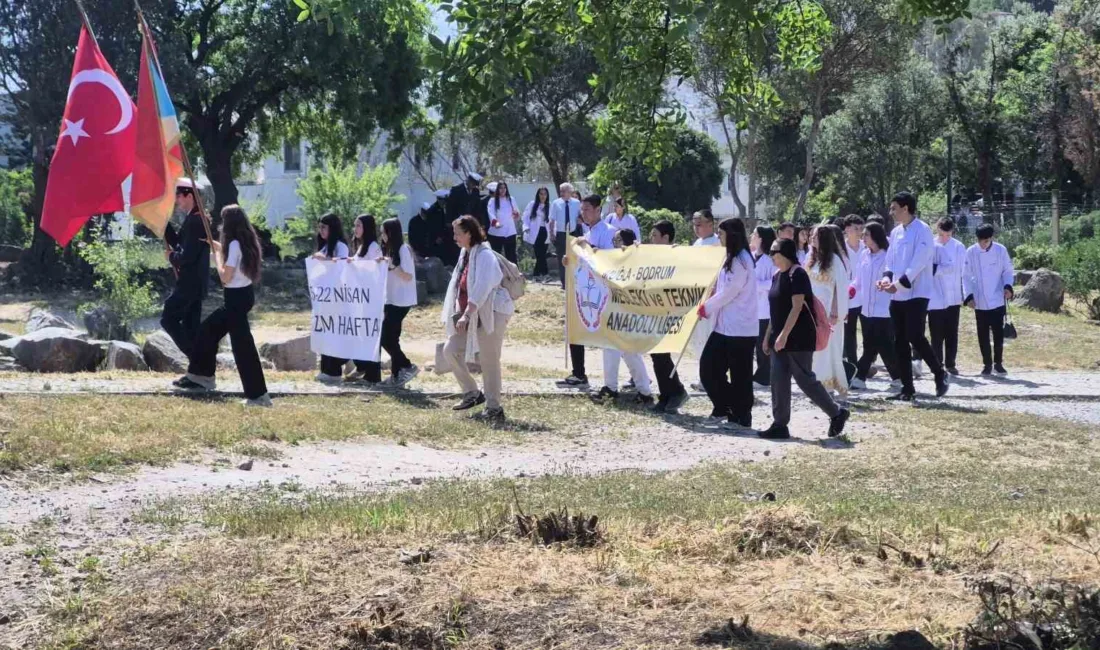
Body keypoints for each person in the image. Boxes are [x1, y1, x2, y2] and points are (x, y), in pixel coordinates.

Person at [173, 205, 272, 406]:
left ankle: (258, 396)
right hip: (242, 297)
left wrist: (218, 256)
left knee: (243, 348)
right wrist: (217, 247)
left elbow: (225, 278)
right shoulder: (246, 242)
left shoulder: (235, 245)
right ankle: (201, 377)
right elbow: (233, 264)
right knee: (207, 331)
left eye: (223, 221)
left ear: (230, 224)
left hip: (235, 299)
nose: (220, 225)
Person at [761, 238, 850, 440]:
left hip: (798, 337)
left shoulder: (798, 273)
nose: (771, 256)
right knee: (778, 380)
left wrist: (784, 335)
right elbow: (775, 311)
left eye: (773, 251)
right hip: (778, 338)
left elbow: (797, 305)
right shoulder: (777, 276)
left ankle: (836, 413)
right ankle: (780, 424)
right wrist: (768, 336)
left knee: (805, 380)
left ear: (784, 253)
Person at [572, 195, 653, 406]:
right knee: (625, 347)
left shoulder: (608, 232)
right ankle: (643, 390)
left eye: (588, 209)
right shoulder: (588, 232)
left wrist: (588, 248)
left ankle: (611, 388)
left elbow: (612, 260)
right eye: (583, 210)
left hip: (614, 295)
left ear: (598, 209)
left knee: (613, 344)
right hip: (600, 295)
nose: (585, 213)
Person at [876, 191, 949, 401]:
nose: (891, 212)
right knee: (899, 340)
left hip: (917, 292)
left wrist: (900, 283)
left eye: (894, 208)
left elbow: (919, 261)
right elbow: (890, 260)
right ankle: (907, 388)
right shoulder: (897, 232)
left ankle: (939, 372)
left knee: (914, 335)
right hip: (897, 294)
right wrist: (887, 279)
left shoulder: (923, 230)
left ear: (905, 208)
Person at [442, 215, 514, 421]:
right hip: (471, 315)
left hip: (491, 313)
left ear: (469, 234)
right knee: (451, 350)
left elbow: (482, 289)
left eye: (457, 233)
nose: (454, 237)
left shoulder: (485, 256)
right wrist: (459, 313)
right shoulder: (465, 254)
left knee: (489, 359)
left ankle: (494, 408)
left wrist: (466, 314)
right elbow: (459, 286)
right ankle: (473, 393)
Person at [698, 218, 757, 428]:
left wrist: (707, 307)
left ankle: (741, 415)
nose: (719, 237)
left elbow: (730, 292)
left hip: (740, 328)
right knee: (708, 369)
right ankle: (726, 405)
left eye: (721, 234)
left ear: (731, 235)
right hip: (724, 326)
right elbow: (722, 287)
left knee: (740, 375)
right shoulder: (729, 257)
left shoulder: (741, 260)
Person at [162, 178, 210, 365]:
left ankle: (198, 361)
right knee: (191, 328)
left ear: (189, 196)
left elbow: (186, 256)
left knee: (169, 318)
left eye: (178, 197)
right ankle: (198, 368)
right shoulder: (193, 218)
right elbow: (179, 244)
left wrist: (171, 258)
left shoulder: (197, 220)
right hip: (192, 283)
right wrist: (163, 224)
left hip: (191, 283)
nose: (176, 201)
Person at [849, 222, 900, 389]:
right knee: (871, 345)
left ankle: (863, 378)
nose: (863, 238)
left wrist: (885, 282)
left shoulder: (888, 256)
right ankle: (862, 378)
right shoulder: (864, 255)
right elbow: (858, 279)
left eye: (866, 235)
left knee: (883, 345)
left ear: (875, 237)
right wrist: (851, 288)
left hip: (883, 308)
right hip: (866, 309)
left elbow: (891, 276)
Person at [648, 220, 690, 413]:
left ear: (666, 238)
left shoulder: (677, 255)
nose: (652, 239)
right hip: (654, 310)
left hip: (669, 311)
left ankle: (676, 391)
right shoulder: (653, 256)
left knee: (662, 353)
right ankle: (666, 395)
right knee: (656, 354)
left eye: (655, 236)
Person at [963, 223, 1015, 376]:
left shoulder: (1001, 250)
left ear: (991, 238)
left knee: (998, 333)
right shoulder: (971, 252)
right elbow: (965, 276)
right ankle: (986, 364)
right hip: (979, 300)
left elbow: (1007, 270)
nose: (982, 244)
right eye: (980, 240)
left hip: (997, 297)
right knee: (982, 334)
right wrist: (969, 296)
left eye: (985, 241)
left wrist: (1008, 287)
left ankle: (998, 363)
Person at [807, 225, 849, 398]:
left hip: (828, 313)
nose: (812, 238)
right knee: (815, 351)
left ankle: (829, 387)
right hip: (812, 311)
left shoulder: (835, 261)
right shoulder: (812, 259)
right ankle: (816, 385)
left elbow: (840, 288)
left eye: (815, 236)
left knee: (828, 349)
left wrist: (835, 312)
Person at [379, 218, 419, 387]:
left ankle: (407, 365)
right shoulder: (388, 249)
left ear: (391, 233)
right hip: (390, 298)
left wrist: (393, 266)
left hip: (401, 301)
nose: (381, 236)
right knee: (391, 337)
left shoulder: (403, 249)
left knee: (386, 338)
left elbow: (408, 276)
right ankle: (397, 375)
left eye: (383, 232)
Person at [313, 212, 351, 383]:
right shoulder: (324, 245)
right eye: (319, 227)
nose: (320, 230)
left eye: (324, 227)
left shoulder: (341, 246)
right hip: (324, 297)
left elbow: (342, 266)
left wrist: (325, 259)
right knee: (325, 332)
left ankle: (334, 370)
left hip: (337, 297)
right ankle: (326, 368)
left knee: (334, 333)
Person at [929, 217, 966, 375]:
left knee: (951, 331)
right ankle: (937, 363)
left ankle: (951, 363)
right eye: (942, 235)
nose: (944, 239)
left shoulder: (958, 247)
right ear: (937, 230)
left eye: (948, 235)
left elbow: (962, 272)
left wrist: (964, 293)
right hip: (935, 296)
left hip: (953, 295)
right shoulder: (930, 244)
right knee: (936, 333)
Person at [751, 225, 777, 387]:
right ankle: (759, 373)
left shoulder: (770, 260)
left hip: (765, 308)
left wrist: (757, 285)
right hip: (751, 308)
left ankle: (764, 377)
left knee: (763, 343)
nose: (751, 236)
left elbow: (774, 281)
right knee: (754, 344)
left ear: (761, 238)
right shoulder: (751, 256)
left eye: (754, 233)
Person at [841, 215, 865, 369]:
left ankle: (866, 363)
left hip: (866, 297)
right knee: (849, 334)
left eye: (861, 229)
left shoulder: (867, 247)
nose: (859, 232)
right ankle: (852, 365)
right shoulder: (841, 249)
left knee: (870, 332)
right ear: (847, 229)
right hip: (848, 297)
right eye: (855, 229)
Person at [550, 182, 583, 289]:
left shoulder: (577, 203)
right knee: (562, 258)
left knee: (574, 257)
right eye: (561, 191)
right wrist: (551, 233)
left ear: (570, 192)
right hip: (561, 233)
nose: (562, 193)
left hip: (574, 233)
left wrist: (580, 221)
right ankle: (564, 283)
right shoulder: (556, 203)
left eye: (564, 191)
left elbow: (580, 216)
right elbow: (552, 220)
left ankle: (574, 280)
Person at [486, 181, 520, 264]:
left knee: (511, 255)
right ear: (497, 189)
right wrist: (496, 223)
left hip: (510, 231)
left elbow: (516, 211)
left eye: (504, 188)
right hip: (497, 232)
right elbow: (491, 213)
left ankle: (513, 275)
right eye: (500, 188)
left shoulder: (511, 199)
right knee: (496, 255)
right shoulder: (493, 200)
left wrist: (516, 214)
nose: (503, 190)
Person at [522, 187, 552, 278]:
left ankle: (537, 274)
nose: (543, 196)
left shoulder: (549, 205)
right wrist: (526, 227)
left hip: (545, 231)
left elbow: (552, 220)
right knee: (539, 253)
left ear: (547, 196)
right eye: (541, 194)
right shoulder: (532, 204)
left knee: (542, 254)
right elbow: (525, 217)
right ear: (538, 195)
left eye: (545, 194)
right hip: (535, 231)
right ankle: (545, 274)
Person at [427, 189, 458, 266]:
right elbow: (430, 226)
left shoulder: (448, 208)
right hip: (437, 239)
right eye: (442, 200)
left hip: (448, 237)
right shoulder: (432, 210)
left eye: (445, 200)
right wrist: (436, 237)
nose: (443, 202)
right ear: (438, 199)